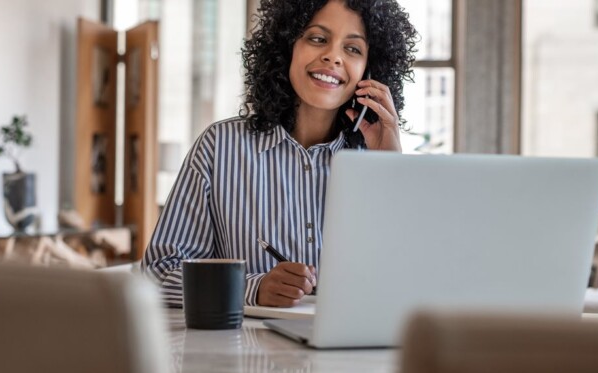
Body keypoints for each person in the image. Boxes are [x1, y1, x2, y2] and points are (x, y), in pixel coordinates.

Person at [142, 0, 417, 308]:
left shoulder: (376, 157)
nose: (333, 56)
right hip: (246, 353)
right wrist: (251, 289)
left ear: (369, 70)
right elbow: (157, 274)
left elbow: (411, 278)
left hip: (354, 352)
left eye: (353, 49)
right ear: (287, 47)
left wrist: (392, 167)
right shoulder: (219, 147)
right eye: (317, 38)